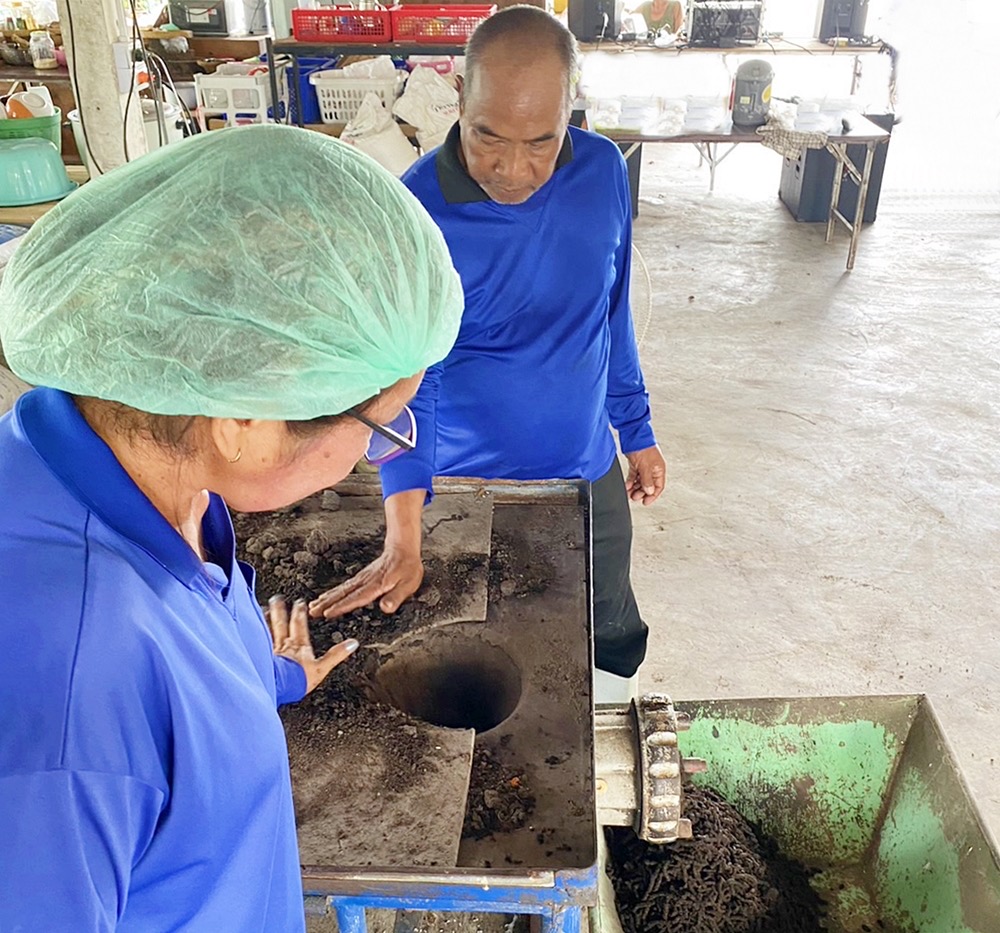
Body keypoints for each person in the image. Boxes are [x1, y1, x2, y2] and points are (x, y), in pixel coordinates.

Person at [0, 125, 462, 931]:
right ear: (245, 418)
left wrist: (258, 676)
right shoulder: (74, 700)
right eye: (379, 424)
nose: (375, 452)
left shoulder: (156, 478)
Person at [310, 6, 666, 702]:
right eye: (487, 137)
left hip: (587, 477)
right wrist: (405, 526)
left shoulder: (601, 174)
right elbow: (412, 385)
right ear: (459, 101)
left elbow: (608, 312)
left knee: (600, 643)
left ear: (572, 112)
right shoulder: (419, 210)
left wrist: (638, 428)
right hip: (469, 493)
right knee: (486, 670)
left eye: (540, 141)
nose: (512, 169)